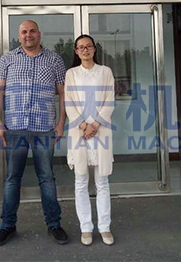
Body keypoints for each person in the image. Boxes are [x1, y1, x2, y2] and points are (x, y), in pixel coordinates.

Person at [0, 20, 69, 246]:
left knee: (47, 177)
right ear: (19, 36)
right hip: (14, 128)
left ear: (39, 34)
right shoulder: (7, 59)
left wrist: (61, 122)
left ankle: (54, 224)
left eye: (32, 31)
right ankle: (7, 225)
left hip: (44, 128)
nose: (28, 35)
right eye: (24, 32)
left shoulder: (54, 59)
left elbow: (63, 93)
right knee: (12, 178)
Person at [64, 34, 116, 246]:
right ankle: (86, 228)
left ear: (94, 49)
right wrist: (84, 126)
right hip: (79, 133)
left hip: (100, 131)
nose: (85, 50)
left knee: (102, 182)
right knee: (81, 181)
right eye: (80, 47)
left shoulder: (105, 72)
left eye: (88, 46)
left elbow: (110, 101)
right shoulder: (71, 74)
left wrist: (94, 125)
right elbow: (68, 103)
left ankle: (104, 227)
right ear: (76, 51)